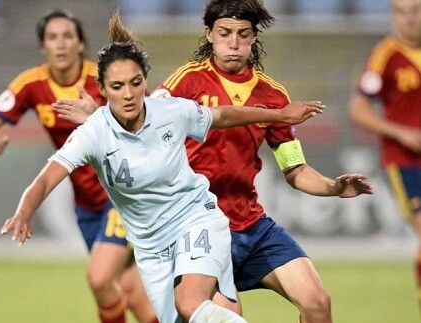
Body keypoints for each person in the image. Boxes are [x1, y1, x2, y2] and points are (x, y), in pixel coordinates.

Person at [0, 11, 328, 323]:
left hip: (197, 220)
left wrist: (279, 114)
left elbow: (224, 116)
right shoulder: (93, 133)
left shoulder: (170, 112)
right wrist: (24, 211)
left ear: (145, 83)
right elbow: (47, 177)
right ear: (102, 91)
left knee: (190, 303)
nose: (128, 94)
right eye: (117, 87)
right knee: (177, 313)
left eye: (135, 83)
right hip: (153, 245)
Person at [151, 1, 374, 322]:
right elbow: (146, 124)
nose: (233, 43)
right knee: (225, 314)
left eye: (242, 34)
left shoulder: (273, 95)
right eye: (224, 33)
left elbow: (295, 169)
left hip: (252, 225)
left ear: (254, 37)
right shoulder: (185, 83)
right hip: (197, 226)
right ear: (209, 35)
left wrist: (333, 187)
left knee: (318, 303)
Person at [0, 9, 157, 323]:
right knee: (129, 288)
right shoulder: (32, 84)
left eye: (68, 36)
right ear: (43, 47)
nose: (60, 44)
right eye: (52, 38)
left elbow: (148, 118)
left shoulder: (104, 79)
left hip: (122, 196)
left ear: (81, 44)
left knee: (100, 278)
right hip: (85, 204)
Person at [349, 0, 421, 311]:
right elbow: (358, 108)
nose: (409, 19)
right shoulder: (385, 55)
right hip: (406, 162)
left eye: (415, 11)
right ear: (393, 15)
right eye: (401, 12)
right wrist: (401, 132)